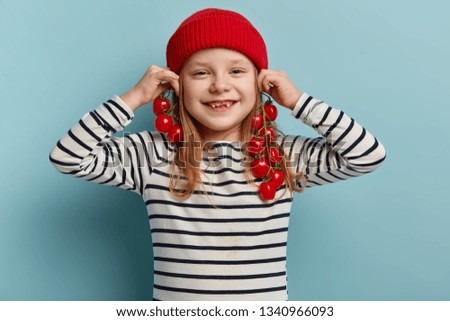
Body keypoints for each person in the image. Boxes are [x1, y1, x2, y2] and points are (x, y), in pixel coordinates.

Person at [49, 8, 386, 301]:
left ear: (261, 82)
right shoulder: (151, 154)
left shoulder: (283, 156)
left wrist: (298, 103)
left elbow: (367, 155)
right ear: (174, 84)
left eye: (237, 71)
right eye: (200, 72)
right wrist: (133, 98)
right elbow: (68, 156)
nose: (219, 85)